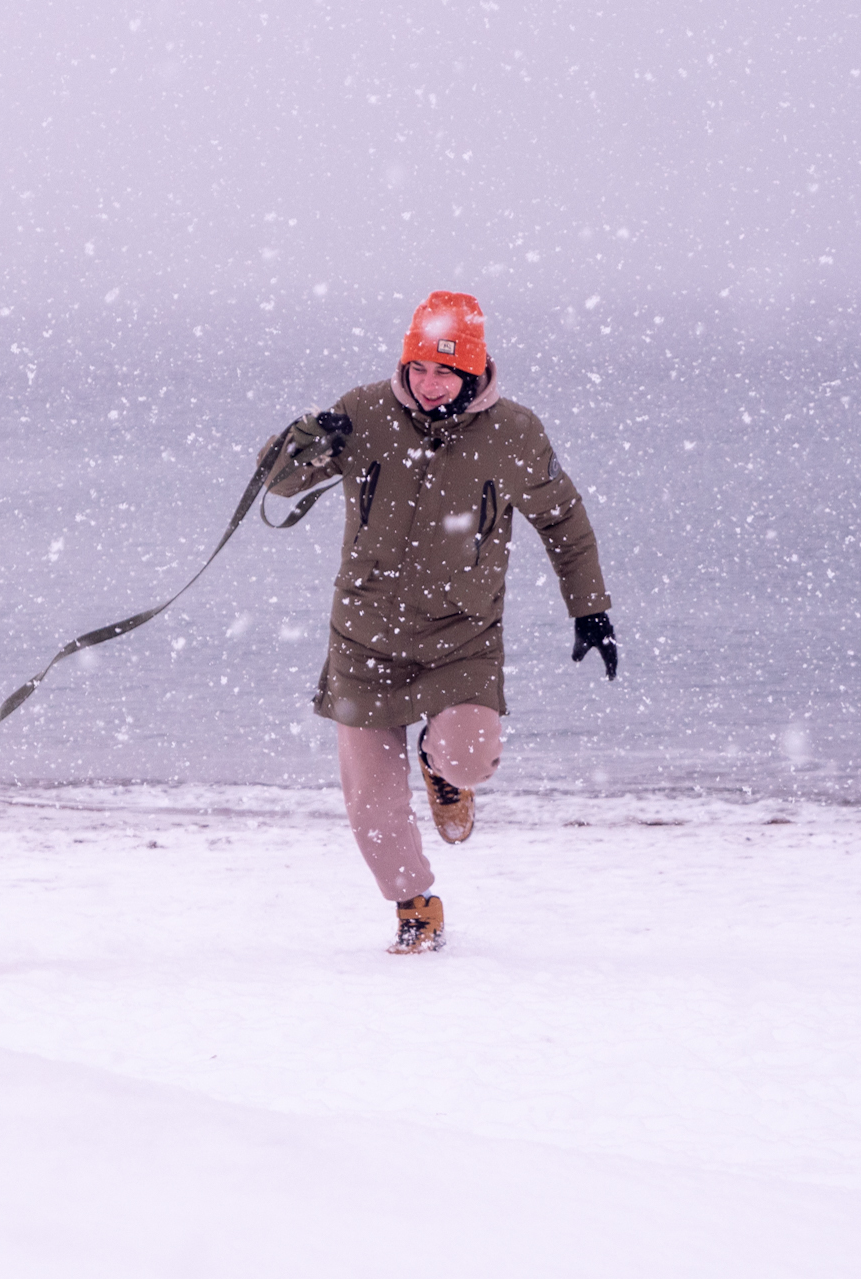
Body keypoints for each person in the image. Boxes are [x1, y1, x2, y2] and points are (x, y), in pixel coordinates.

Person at [264, 291, 616, 954]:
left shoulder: (515, 433)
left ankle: (440, 765)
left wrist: (589, 606)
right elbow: (279, 482)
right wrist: (305, 440)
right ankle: (415, 904)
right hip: (363, 636)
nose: (428, 385)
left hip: (461, 639)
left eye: (445, 372)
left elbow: (563, 521)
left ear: (474, 372)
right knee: (371, 807)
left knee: (471, 756)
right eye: (419, 368)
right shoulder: (364, 411)